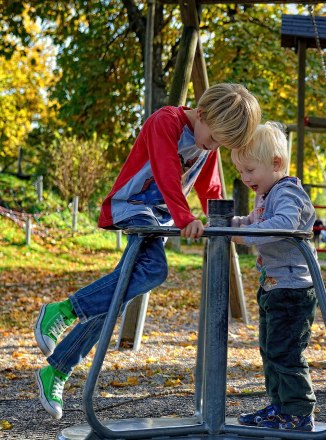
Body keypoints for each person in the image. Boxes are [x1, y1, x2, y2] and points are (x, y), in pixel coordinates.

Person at [33, 83, 262, 419]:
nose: (212, 147)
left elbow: (210, 186)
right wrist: (185, 218)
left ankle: (58, 367)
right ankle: (64, 310)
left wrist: (221, 222)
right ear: (203, 113)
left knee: (118, 296)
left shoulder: (207, 144)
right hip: (135, 206)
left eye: (219, 145)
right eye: (213, 139)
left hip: (159, 217)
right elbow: (167, 172)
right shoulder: (165, 121)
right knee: (154, 270)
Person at [230, 122, 318, 432]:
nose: (245, 178)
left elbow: (282, 224)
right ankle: (280, 406)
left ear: (276, 163)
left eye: (250, 170)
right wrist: (230, 224)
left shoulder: (287, 192)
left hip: (293, 290)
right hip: (273, 287)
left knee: (286, 351)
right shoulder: (266, 194)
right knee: (270, 350)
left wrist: (245, 236)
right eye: (241, 171)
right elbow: (253, 220)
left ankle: (299, 411)